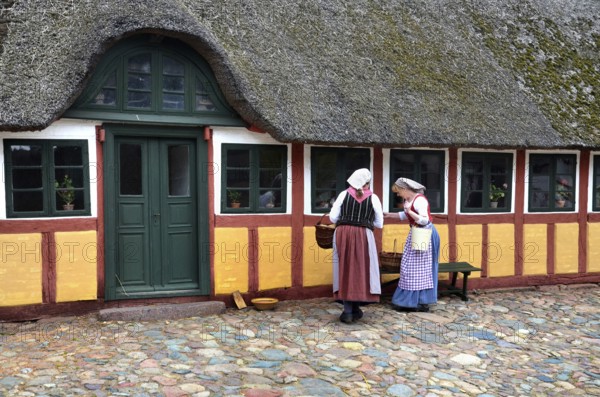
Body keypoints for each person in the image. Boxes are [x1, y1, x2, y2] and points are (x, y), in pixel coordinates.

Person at [329, 168, 384, 323]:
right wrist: (364, 222)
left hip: (342, 233)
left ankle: (348, 311)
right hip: (363, 235)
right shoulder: (373, 198)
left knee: (344, 269)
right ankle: (353, 309)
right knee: (361, 269)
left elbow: (333, 218)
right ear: (368, 182)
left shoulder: (343, 195)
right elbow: (379, 223)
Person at [384, 177, 440, 312]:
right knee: (409, 268)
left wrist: (410, 212)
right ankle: (410, 301)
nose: (398, 194)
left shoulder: (419, 200)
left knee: (420, 269)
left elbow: (424, 220)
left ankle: (420, 302)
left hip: (424, 234)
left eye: (398, 191)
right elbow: (404, 216)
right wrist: (388, 215)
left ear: (404, 189)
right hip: (416, 233)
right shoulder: (408, 200)